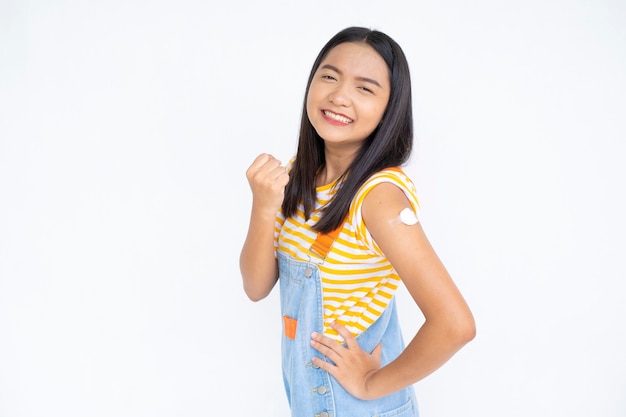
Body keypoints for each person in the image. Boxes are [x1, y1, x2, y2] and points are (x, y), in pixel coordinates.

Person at [240, 26, 475, 417]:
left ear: (390, 108)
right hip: (309, 400)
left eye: (365, 88)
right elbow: (255, 286)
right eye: (329, 76)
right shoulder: (299, 176)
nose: (339, 96)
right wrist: (264, 207)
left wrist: (370, 383)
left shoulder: (378, 197)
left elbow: (456, 324)